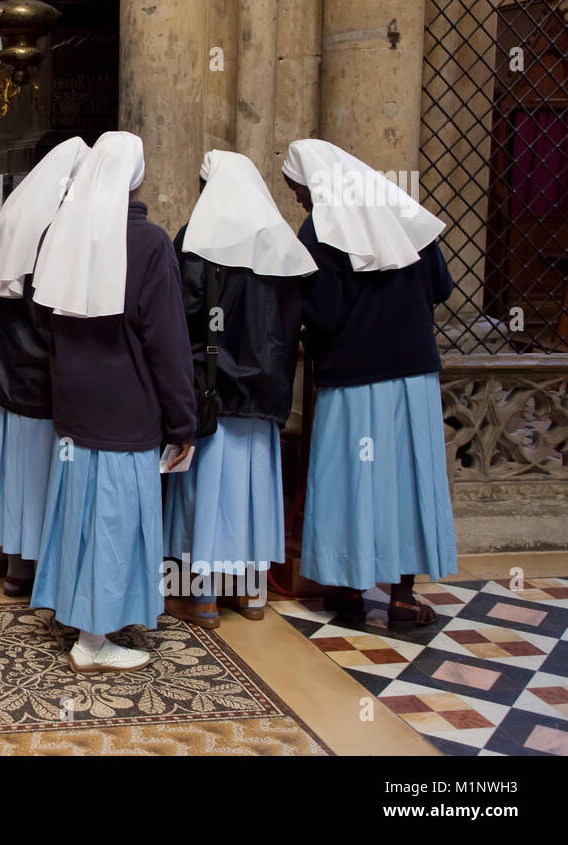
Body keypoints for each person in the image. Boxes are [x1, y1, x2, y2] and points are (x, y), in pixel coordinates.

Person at [29, 131, 197, 673]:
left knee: (82, 517)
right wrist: (184, 421)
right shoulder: (149, 243)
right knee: (115, 522)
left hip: (75, 410)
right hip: (128, 410)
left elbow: (41, 319)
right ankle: (93, 641)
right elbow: (168, 341)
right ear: (135, 177)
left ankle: (84, 620)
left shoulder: (60, 233)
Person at [282, 139, 456, 631]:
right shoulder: (401, 213)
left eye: (296, 185)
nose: (296, 195)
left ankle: (350, 591)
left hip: (354, 379)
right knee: (407, 479)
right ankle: (402, 596)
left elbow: (327, 313)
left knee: (350, 481)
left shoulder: (320, 228)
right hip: (413, 377)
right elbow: (441, 288)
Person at [163, 150, 317, 629]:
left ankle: (201, 598)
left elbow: (181, 315)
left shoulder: (196, 239)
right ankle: (250, 595)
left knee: (204, 499)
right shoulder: (280, 241)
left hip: (213, 392)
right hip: (265, 392)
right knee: (252, 495)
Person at [0, 136, 90, 596]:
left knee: (20, 475)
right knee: (45, 477)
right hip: (45, 377)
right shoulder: (59, 228)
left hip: (11, 371)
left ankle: (17, 570)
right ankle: (46, 572)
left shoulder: (16, 216)